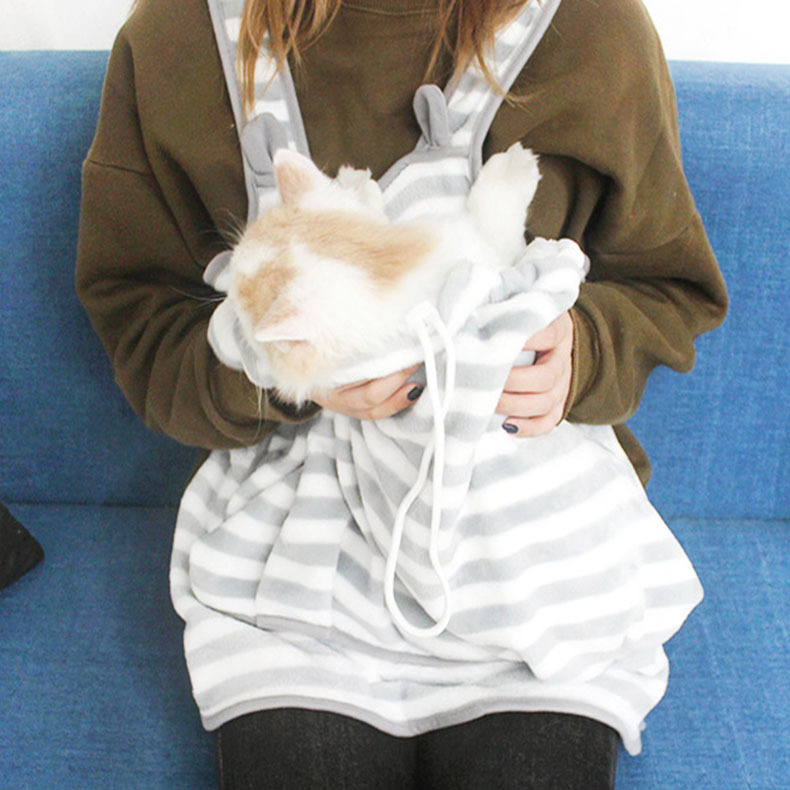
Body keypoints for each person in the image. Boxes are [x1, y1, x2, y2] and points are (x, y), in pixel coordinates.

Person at [76, 0, 728, 786]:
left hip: (528, 566)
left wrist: (581, 353)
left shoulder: (593, 31)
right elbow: (141, 323)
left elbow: (670, 288)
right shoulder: (178, 40)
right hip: (298, 585)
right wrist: (279, 369)